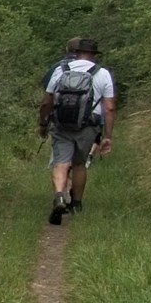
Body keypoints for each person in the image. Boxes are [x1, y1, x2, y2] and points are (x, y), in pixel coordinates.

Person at [38, 37, 116, 225]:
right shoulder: (103, 74)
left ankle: (59, 196)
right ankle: (76, 204)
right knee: (79, 164)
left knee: (60, 162)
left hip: (62, 124)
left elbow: (46, 101)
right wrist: (107, 136)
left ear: (76, 53)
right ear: (94, 56)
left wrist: (43, 122)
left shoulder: (61, 70)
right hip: (88, 126)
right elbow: (110, 108)